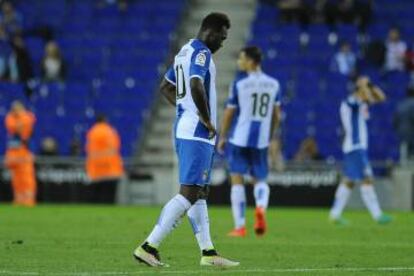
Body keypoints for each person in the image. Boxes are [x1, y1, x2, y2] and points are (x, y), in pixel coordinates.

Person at [133, 13, 238, 268]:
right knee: (189, 192)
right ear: (210, 31)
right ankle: (149, 246)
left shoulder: (184, 51)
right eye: (221, 37)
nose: (222, 43)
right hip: (196, 133)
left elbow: (166, 87)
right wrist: (204, 117)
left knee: (199, 192)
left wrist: (188, 111)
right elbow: (195, 83)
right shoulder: (201, 53)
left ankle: (209, 253)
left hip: (185, 128)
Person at [217, 46, 282, 237]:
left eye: (242, 59)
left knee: (237, 179)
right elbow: (276, 115)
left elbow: (229, 113)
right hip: (261, 140)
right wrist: (269, 135)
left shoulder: (239, 84)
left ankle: (240, 226)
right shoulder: (273, 84)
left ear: (251, 62)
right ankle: (260, 208)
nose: (239, 62)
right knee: (259, 179)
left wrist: (223, 136)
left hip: (240, 138)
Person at [329, 76, 392, 225]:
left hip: (356, 147)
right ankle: (378, 215)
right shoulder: (350, 102)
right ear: (358, 90)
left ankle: (334, 214)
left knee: (349, 181)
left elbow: (381, 97)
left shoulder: (361, 102)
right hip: (355, 147)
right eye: (364, 90)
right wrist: (363, 85)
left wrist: (370, 84)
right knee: (367, 179)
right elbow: (363, 97)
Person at [4, 101, 36, 206]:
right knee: (16, 179)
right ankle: (18, 200)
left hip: (24, 151)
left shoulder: (27, 117)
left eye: (18, 109)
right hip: (13, 152)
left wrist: (21, 121)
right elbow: (14, 127)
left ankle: (28, 201)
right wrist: (21, 123)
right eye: (14, 109)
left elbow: (26, 125)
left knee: (26, 178)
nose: (16, 111)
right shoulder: (10, 118)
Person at [85, 115, 124, 203]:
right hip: (111, 168)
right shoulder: (111, 131)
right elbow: (116, 147)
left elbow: (89, 149)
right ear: (105, 120)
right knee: (109, 197)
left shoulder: (92, 132)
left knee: (97, 196)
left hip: (96, 170)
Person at [394, 87, 414, 158]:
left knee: (403, 149)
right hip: (411, 132)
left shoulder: (401, 104)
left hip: (401, 131)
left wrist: (397, 129)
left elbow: (395, 120)